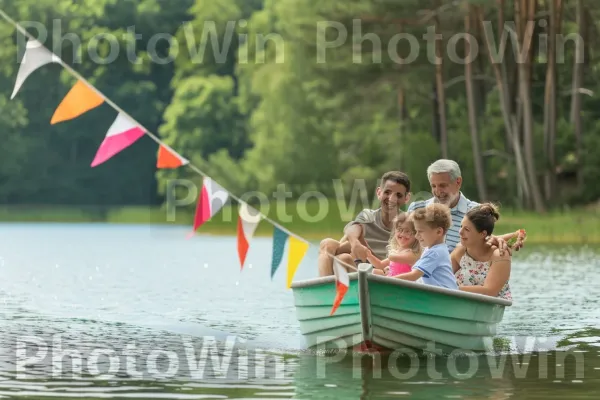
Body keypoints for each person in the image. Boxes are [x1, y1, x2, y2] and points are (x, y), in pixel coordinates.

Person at [407, 159, 525, 254]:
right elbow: (403, 245)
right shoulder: (416, 209)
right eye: (433, 186)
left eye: (443, 185)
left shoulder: (477, 211)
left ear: (458, 182)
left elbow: (486, 242)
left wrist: (504, 239)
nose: (438, 191)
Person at [317, 171, 412, 276]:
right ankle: (325, 288)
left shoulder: (408, 222)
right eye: (387, 192)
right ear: (379, 193)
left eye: (398, 195)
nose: (392, 199)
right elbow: (352, 228)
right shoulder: (368, 215)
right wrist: (355, 243)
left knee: (344, 258)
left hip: (386, 272)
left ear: (406, 198)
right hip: (364, 265)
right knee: (327, 244)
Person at [451, 203, 518, 300]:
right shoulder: (460, 251)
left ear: (483, 234)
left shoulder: (500, 255)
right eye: (461, 226)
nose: (460, 232)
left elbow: (489, 291)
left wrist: (453, 289)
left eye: (467, 229)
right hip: (458, 302)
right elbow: (441, 274)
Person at [392, 203, 458, 290]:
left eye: (420, 231)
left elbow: (413, 276)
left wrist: (387, 281)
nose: (416, 236)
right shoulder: (435, 248)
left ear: (439, 232)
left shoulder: (435, 253)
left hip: (444, 299)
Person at [365, 212, 422, 276]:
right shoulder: (397, 252)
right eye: (400, 230)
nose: (403, 234)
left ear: (416, 235)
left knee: (376, 273)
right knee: (375, 271)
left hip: (401, 283)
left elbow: (393, 258)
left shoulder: (413, 254)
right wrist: (368, 255)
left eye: (408, 231)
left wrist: (388, 266)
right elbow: (380, 265)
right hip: (391, 280)